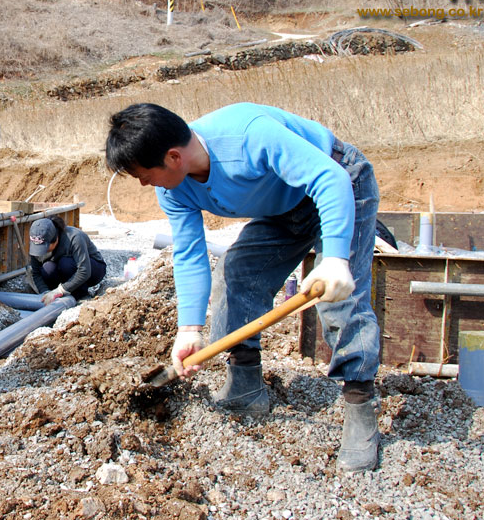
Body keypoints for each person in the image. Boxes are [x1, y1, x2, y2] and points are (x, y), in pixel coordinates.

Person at [105, 102, 381, 473]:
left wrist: (334, 259)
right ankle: (246, 386)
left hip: (339, 180)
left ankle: (360, 405)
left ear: (173, 157)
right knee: (238, 272)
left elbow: (328, 179)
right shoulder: (172, 189)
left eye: (143, 174)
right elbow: (189, 253)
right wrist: (189, 329)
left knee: (338, 300)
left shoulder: (248, 135)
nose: (143, 183)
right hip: (286, 206)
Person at [28, 216, 107, 305]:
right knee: (48, 268)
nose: (43, 252)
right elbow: (36, 273)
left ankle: (81, 294)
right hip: (65, 271)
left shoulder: (74, 237)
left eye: (45, 248)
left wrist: (61, 289)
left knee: (65, 263)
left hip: (92, 269)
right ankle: (60, 294)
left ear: (56, 238)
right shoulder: (37, 241)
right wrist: (45, 291)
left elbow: (84, 270)